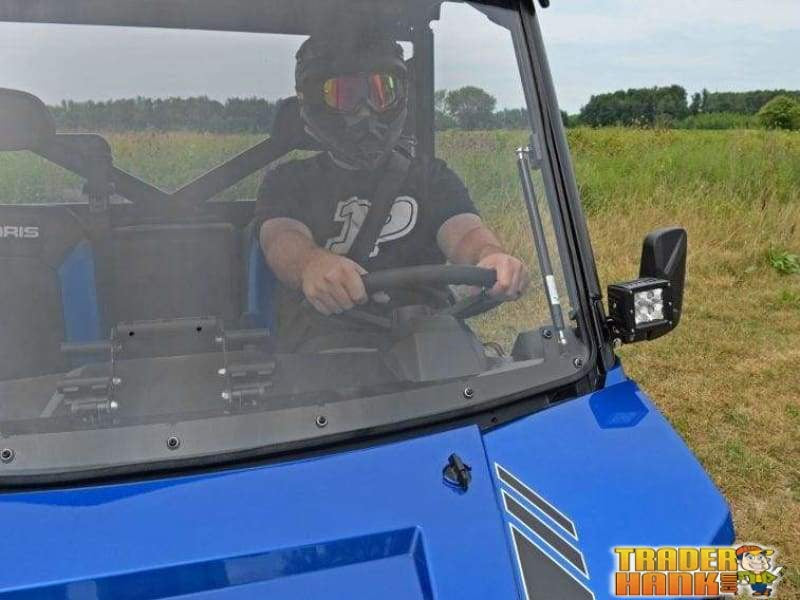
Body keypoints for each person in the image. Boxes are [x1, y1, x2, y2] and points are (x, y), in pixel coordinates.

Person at [256, 32, 529, 351]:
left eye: (381, 92)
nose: (366, 111)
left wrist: (490, 256)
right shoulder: (288, 181)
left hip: (428, 338)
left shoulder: (430, 176)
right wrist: (311, 264)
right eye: (345, 95)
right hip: (326, 347)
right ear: (314, 101)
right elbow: (281, 239)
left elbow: (465, 232)